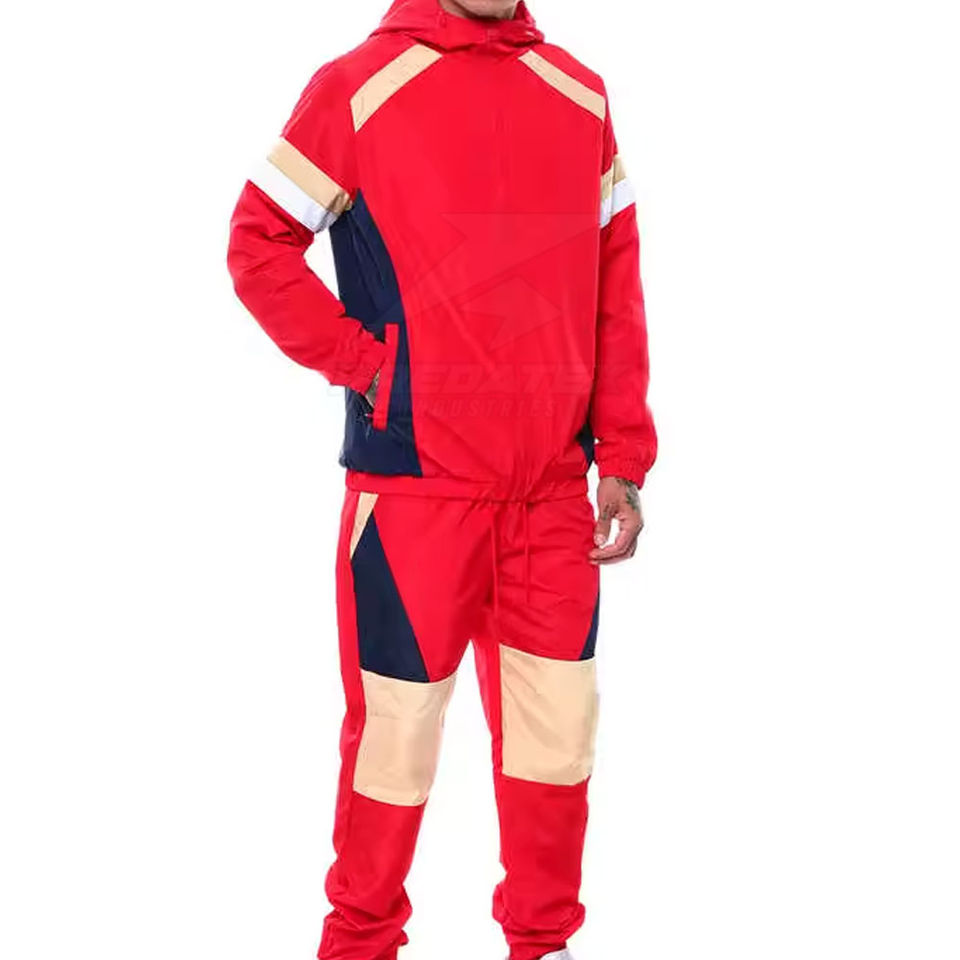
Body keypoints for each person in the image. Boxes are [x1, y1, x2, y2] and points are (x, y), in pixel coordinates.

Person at [227, 0, 656, 956]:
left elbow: (615, 285)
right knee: (395, 746)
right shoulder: (356, 88)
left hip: (552, 500)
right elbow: (257, 241)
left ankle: (542, 944)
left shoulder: (581, 95)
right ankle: (361, 944)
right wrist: (366, 365)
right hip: (414, 495)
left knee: (556, 753)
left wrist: (622, 457)